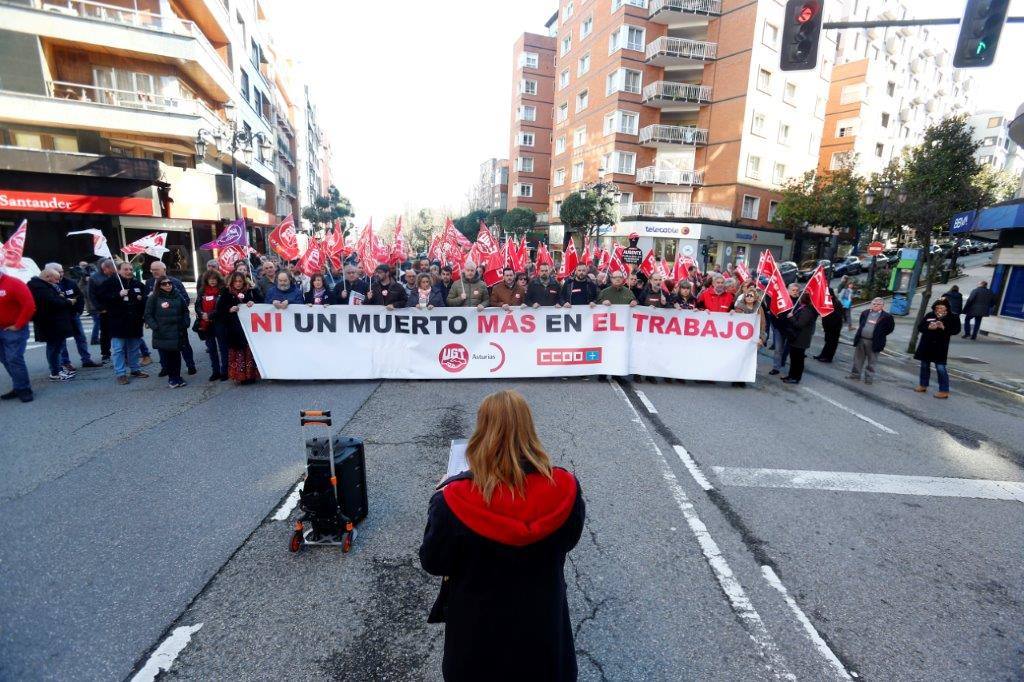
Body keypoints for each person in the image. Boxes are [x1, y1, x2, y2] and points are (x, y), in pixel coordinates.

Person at [419, 390, 584, 682]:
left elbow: (434, 562)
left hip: (476, 642)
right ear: (529, 429)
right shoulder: (565, 487)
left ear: (481, 431)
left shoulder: (453, 499)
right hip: (543, 632)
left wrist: (441, 496)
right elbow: (568, 540)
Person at [97, 262, 149, 385]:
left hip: (135, 322)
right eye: (125, 269)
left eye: (130, 269)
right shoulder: (110, 283)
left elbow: (144, 302)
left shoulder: (137, 284)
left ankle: (135, 369)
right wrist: (117, 295)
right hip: (117, 322)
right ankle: (120, 374)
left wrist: (145, 317)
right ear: (118, 271)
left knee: (134, 348)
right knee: (118, 349)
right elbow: (101, 298)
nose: (129, 271)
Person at [147, 261, 196, 376]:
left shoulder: (175, 282)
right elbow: (147, 308)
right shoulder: (149, 283)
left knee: (184, 345)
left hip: (177, 323)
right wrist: (152, 323)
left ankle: (190, 365)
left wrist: (184, 321)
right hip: (161, 325)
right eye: (152, 270)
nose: (154, 272)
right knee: (162, 347)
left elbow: (186, 300)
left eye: (156, 269)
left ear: (164, 269)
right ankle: (165, 368)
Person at [27, 269, 77, 381]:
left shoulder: (42, 286)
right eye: (56, 279)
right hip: (50, 323)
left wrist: (60, 297)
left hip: (53, 322)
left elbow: (53, 299)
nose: (58, 281)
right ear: (48, 276)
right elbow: (52, 302)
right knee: (54, 348)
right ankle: (55, 372)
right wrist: (67, 301)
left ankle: (57, 369)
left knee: (56, 348)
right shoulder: (39, 288)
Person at [48, 262, 100, 370]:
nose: (61, 274)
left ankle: (86, 359)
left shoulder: (70, 282)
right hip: (60, 318)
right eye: (58, 272)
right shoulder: (48, 286)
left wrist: (79, 310)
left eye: (62, 271)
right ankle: (65, 362)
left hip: (73, 315)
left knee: (81, 337)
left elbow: (79, 296)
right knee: (62, 341)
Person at [145, 276, 190, 388]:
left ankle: (178, 377)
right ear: (159, 286)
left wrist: (185, 323)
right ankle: (172, 378)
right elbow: (148, 315)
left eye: (169, 283)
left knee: (176, 356)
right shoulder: (154, 297)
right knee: (167, 357)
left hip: (177, 331)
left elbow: (185, 311)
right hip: (162, 333)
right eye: (164, 284)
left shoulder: (177, 295)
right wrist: (155, 327)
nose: (168, 285)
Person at [0, 267, 36, 402]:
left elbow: (29, 305)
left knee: (14, 358)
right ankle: (18, 385)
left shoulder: (14, 283)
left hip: (13, 330)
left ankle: (24, 389)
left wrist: (18, 325)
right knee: (5, 359)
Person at [217, 272, 260, 384]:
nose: (238, 283)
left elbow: (260, 302)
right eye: (235, 281)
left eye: (240, 281)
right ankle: (241, 377)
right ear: (232, 282)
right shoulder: (226, 293)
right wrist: (229, 310)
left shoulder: (249, 291)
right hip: (234, 330)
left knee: (248, 352)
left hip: (248, 329)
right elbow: (219, 311)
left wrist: (252, 302)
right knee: (238, 353)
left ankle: (250, 376)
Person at [914, 299, 960, 398]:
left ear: (946, 308)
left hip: (940, 346)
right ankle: (923, 385)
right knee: (924, 365)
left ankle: (944, 390)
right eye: (937, 307)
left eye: (941, 307)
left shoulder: (953, 317)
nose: (939, 309)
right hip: (926, 344)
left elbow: (956, 330)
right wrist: (929, 327)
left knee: (940, 367)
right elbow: (920, 327)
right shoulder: (930, 315)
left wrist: (944, 327)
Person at [848, 297, 895, 385]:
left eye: (878, 304)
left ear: (882, 306)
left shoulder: (887, 316)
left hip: (875, 342)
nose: (876, 305)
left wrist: (880, 334)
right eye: (874, 304)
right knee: (858, 359)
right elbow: (861, 323)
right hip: (861, 340)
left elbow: (890, 328)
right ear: (871, 304)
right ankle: (855, 375)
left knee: (872, 362)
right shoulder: (865, 313)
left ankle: (868, 379)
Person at [195, 270, 228, 381]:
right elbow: (197, 305)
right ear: (206, 280)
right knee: (212, 349)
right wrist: (202, 314)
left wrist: (210, 315)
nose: (212, 281)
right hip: (206, 323)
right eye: (210, 279)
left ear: (218, 279)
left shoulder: (223, 290)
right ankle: (215, 371)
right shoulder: (202, 290)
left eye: (214, 279)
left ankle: (225, 371)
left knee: (223, 348)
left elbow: (223, 307)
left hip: (219, 322)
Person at [781, 293, 818, 385]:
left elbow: (800, 324)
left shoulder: (807, 310)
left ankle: (795, 377)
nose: (799, 298)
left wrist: (791, 317)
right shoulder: (804, 308)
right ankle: (791, 375)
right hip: (796, 338)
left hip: (800, 339)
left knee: (798, 360)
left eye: (800, 297)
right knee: (793, 358)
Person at [769, 282, 802, 376]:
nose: (795, 292)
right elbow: (773, 313)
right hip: (780, 328)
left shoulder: (800, 302)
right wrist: (776, 326)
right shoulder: (782, 300)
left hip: (792, 330)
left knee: (787, 348)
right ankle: (776, 367)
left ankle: (782, 360)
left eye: (797, 291)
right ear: (788, 290)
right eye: (793, 290)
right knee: (778, 349)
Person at [88, 258, 117, 363]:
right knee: (105, 333)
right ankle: (105, 354)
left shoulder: (115, 275)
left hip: (116, 308)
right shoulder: (94, 278)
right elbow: (92, 295)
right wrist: (99, 308)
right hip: (104, 309)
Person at [813, 288, 844, 363]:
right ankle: (823, 355)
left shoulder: (836, 303)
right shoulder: (828, 302)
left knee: (832, 343)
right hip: (828, 327)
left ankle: (828, 358)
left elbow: (837, 317)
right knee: (827, 341)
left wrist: (830, 326)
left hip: (834, 328)